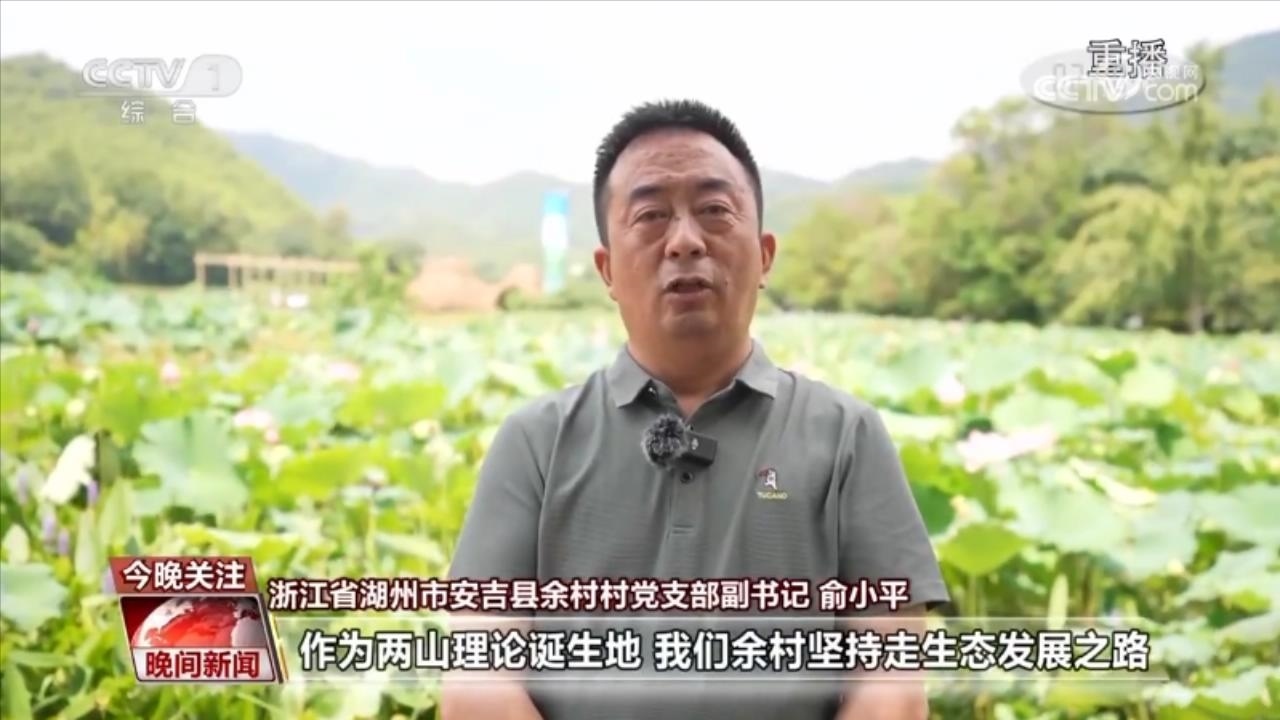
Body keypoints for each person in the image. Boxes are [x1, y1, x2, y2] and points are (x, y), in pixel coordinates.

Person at [442, 99, 949, 720]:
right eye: (651, 216)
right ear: (607, 269)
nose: (684, 241)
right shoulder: (534, 443)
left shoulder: (847, 437)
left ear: (764, 255)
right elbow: (477, 682)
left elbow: (892, 685)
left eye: (714, 211)